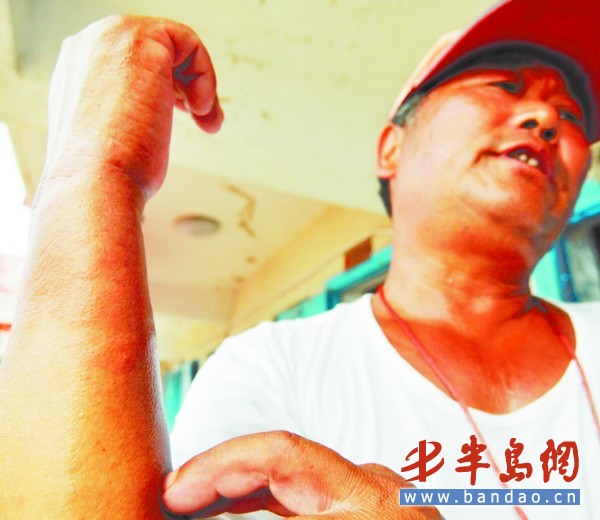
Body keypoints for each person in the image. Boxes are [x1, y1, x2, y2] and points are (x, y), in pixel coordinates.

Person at [0, 2, 597, 520]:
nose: (547, 119)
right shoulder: (271, 367)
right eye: (505, 87)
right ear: (392, 148)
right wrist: (94, 169)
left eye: (571, 117)